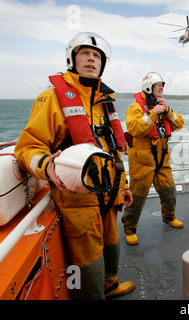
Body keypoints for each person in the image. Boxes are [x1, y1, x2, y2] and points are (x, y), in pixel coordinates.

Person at [14, 32, 135, 299]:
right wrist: (47, 166)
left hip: (109, 191)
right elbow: (28, 148)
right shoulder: (53, 98)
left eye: (96, 56)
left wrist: (123, 185)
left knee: (111, 243)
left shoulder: (105, 101)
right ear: (72, 59)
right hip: (78, 197)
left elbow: (113, 150)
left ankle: (110, 285)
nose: (91, 59)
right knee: (88, 258)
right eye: (85, 54)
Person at [121, 72, 184, 245]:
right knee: (138, 195)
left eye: (162, 85)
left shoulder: (162, 106)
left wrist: (168, 110)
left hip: (161, 158)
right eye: (158, 85)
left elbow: (179, 124)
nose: (161, 88)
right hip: (142, 159)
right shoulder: (135, 108)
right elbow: (135, 129)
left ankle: (169, 217)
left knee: (169, 189)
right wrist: (153, 113)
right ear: (149, 87)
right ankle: (130, 228)